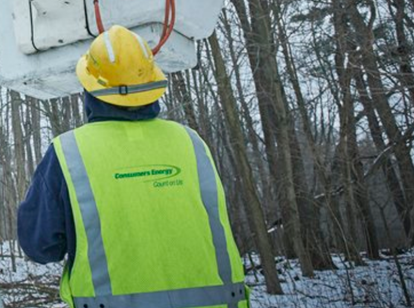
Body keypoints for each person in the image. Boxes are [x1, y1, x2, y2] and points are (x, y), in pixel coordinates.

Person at [17, 26, 249, 308]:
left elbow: (41, 246)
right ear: (152, 86)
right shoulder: (191, 142)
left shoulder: (69, 152)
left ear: (90, 90)